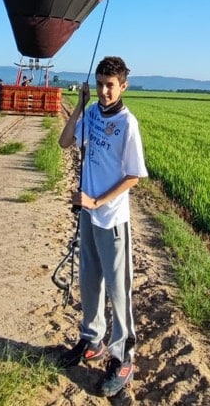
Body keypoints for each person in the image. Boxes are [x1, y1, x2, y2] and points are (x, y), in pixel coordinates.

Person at [58, 56, 147, 398]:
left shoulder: (128, 124)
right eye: (99, 85)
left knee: (118, 290)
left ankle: (123, 356)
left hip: (111, 220)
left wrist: (97, 202)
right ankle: (91, 340)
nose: (104, 91)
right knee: (89, 281)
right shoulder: (92, 112)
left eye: (110, 85)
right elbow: (65, 143)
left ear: (123, 86)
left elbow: (134, 176)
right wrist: (79, 106)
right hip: (88, 216)